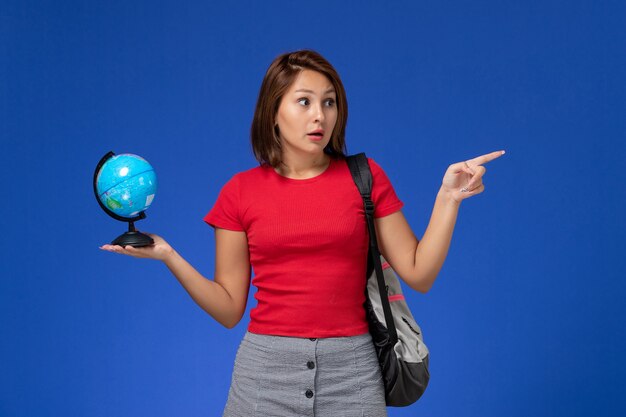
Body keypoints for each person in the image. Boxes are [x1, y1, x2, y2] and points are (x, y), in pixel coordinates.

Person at [100, 49, 504, 416]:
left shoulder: (364, 178)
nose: (320, 116)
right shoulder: (239, 192)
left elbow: (420, 273)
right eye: (304, 101)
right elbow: (228, 310)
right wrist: (169, 255)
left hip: (355, 378)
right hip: (263, 378)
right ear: (273, 111)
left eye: (329, 102)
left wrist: (448, 198)